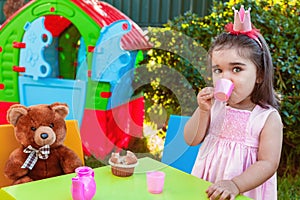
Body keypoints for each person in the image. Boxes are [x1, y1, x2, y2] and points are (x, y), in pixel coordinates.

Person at [184, 5, 283, 200]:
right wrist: (202, 111)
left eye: (236, 69)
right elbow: (191, 139)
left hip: (243, 190)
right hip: (208, 183)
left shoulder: (266, 118)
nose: (225, 78)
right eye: (218, 70)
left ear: (259, 75)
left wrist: (235, 184)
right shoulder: (215, 105)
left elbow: (268, 163)